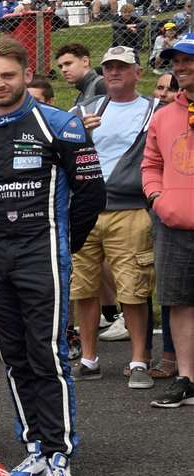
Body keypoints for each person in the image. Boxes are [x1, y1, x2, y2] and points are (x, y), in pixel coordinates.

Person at [0, 37, 104, 476]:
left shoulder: (60, 125)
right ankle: (35, 448)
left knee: (49, 354)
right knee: (16, 355)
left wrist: (63, 244)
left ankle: (61, 453)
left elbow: (90, 194)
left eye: (8, 75)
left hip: (43, 254)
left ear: (25, 75)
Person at [68, 47, 158, 388]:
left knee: (133, 289)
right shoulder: (82, 110)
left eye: (122, 67)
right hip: (85, 210)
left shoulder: (154, 110)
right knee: (83, 288)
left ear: (138, 72)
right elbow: (61, 151)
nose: (114, 72)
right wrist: (78, 134)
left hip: (131, 209)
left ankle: (139, 361)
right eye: (109, 67)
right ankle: (89, 358)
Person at [143, 34, 194, 406]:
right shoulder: (163, 116)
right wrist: (158, 198)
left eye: (187, 59)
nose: (180, 66)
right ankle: (187, 378)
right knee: (178, 302)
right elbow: (152, 165)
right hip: (174, 224)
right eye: (175, 61)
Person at [54, 43, 106, 110]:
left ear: (85, 61)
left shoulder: (101, 85)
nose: (63, 70)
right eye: (60, 67)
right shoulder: (84, 89)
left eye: (68, 64)